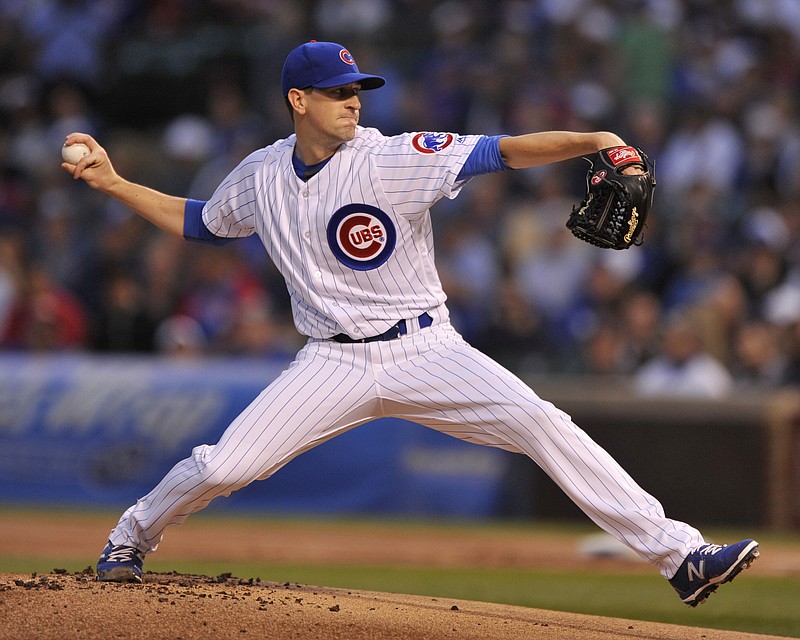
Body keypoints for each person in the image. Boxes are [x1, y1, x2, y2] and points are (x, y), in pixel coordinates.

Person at [62, 41, 758, 607]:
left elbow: (504, 150)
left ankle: (683, 558)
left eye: (356, 88)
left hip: (426, 348)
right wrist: (115, 183)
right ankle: (131, 535)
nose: (353, 100)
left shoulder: (393, 157)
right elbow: (200, 223)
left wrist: (596, 139)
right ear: (297, 101)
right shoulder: (261, 174)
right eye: (338, 91)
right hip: (330, 362)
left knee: (543, 422)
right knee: (223, 464)